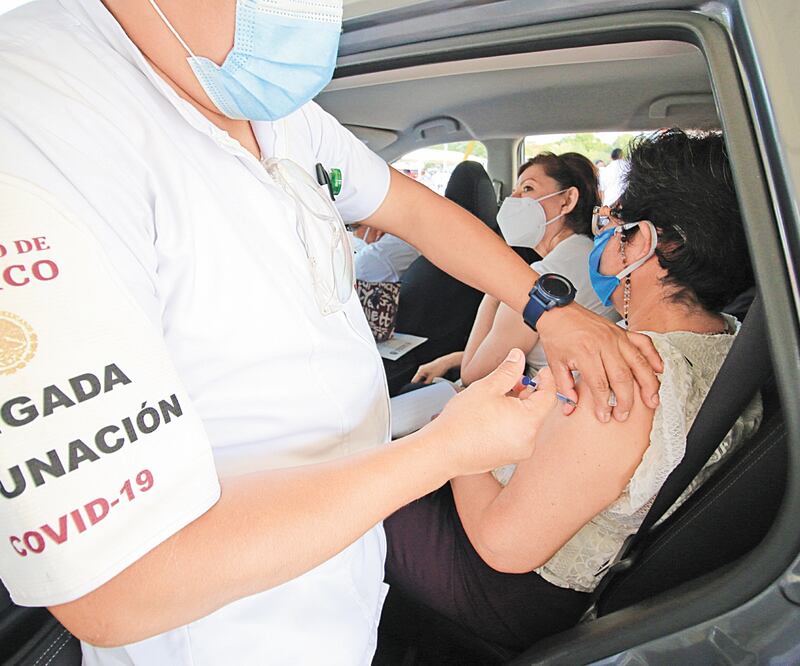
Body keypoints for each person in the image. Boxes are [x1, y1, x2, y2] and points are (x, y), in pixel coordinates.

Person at [0, 1, 662, 664]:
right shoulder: (41, 106)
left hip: (338, 583)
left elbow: (409, 206)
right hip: (224, 634)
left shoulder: (268, 109)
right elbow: (117, 585)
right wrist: (444, 451)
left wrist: (551, 308)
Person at [384, 129, 762, 652]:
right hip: (544, 534)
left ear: (653, 242)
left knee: (354, 504)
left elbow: (503, 546)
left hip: (507, 585)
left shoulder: (623, 376)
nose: (603, 232)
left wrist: (463, 430)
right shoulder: (731, 338)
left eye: (614, 223)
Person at [412, 152, 618, 386]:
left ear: (567, 200)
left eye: (527, 189)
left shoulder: (544, 279)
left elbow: (473, 376)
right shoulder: (589, 255)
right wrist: (450, 360)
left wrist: (496, 287)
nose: (513, 198)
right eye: (515, 189)